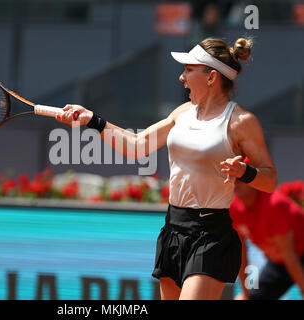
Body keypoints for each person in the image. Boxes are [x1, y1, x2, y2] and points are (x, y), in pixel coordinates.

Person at [55, 37, 277, 300]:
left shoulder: (242, 122)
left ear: (211, 77)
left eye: (188, 70)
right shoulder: (182, 113)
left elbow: (270, 179)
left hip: (212, 236)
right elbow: (137, 145)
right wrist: (94, 121)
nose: (182, 78)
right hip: (173, 229)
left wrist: (245, 173)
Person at [230, 164, 304, 300]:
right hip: (280, 262)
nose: (235, 183)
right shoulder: (233, 208)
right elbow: (241, 253)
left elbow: (289, 254)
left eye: (240, 178)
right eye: (232, 178)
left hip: (296, 255)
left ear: (253, 180)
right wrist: (246, 294)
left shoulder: (274, 204)